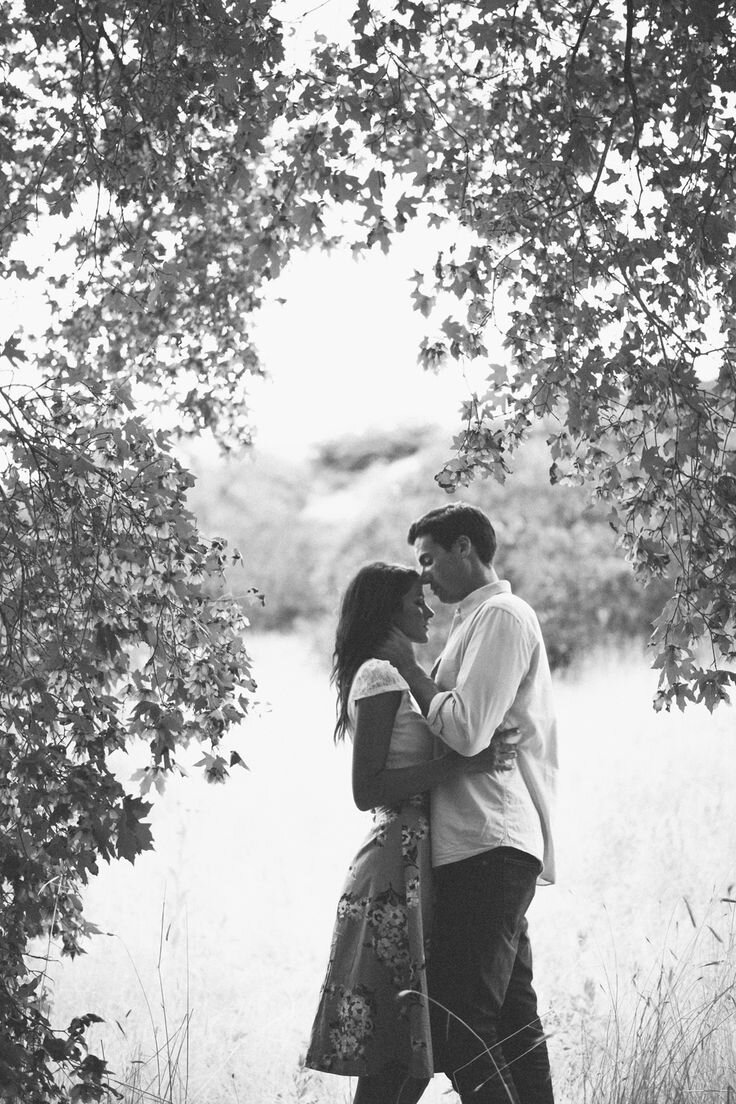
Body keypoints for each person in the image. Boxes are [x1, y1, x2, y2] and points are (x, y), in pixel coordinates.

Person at [305, 561, 517, 1104]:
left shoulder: (399, 674)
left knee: (414, 1042)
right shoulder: (379, 675)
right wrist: (460, 765)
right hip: (396, 863)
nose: (427, 610)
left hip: (418, 857)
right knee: (400, 1042)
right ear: (387, 614)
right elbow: (367, 789)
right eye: (414, 602)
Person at [379, 503, 558, 1104]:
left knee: (461, 1029)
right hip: (480, 843)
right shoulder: (470, 623)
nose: (424, 576)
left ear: (464, 548)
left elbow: (466, 730)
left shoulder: (501, 616)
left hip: (489, 841)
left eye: (429, 560)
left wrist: (409, 670)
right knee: (512, 1023)